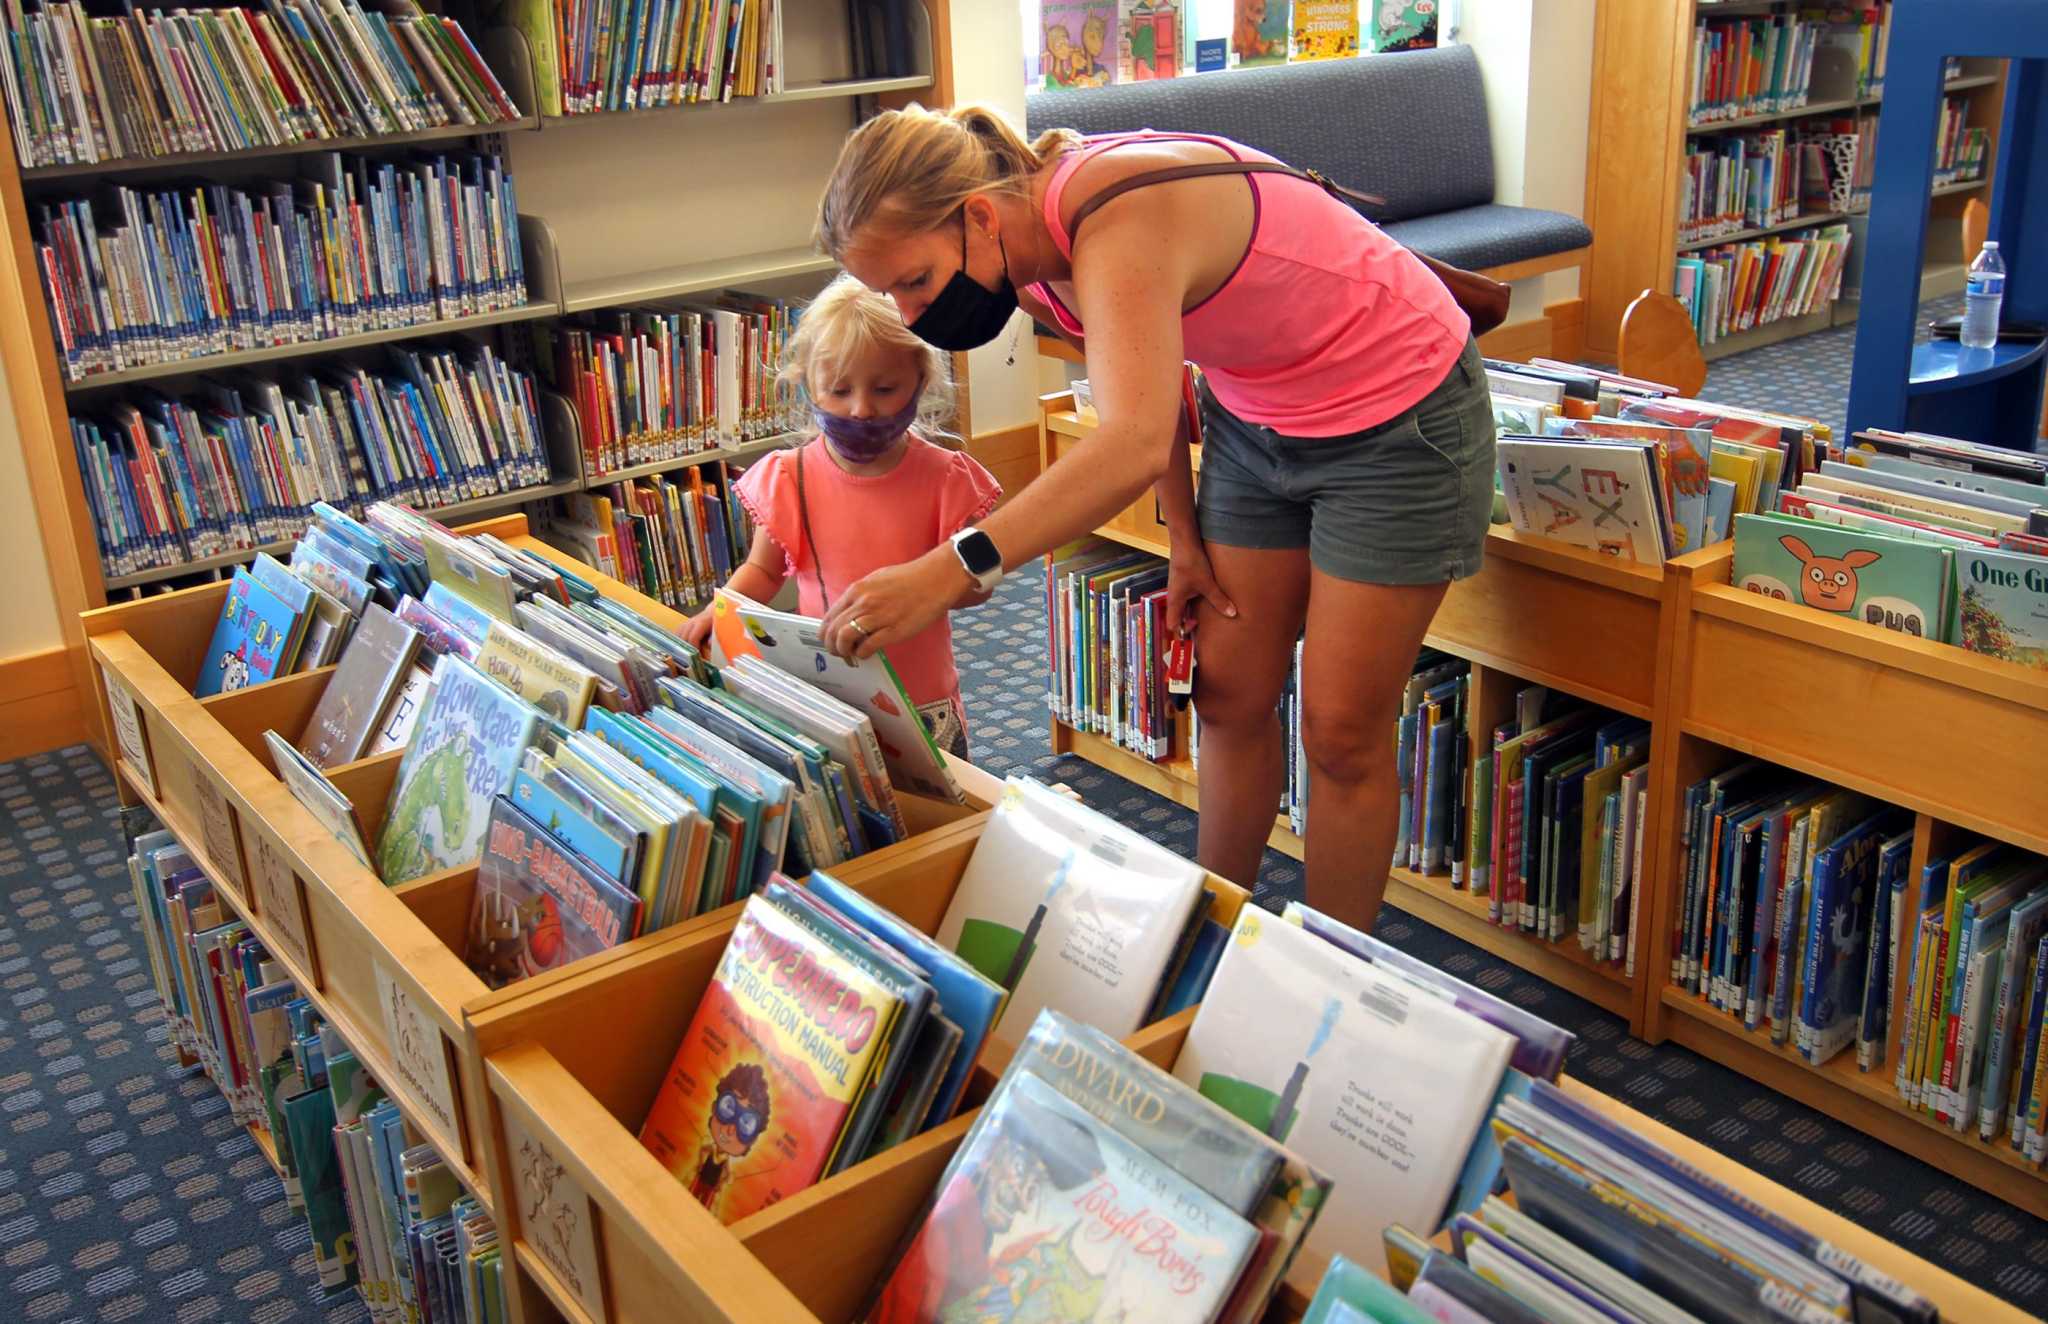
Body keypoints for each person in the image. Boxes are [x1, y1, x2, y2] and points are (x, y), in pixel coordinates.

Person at [811, 106, 1496, 933]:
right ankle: (1208, 934)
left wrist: (948, 569)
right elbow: (1143, 380)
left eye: (913, 281)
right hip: (1257, 414)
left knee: (1341, 730)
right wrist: (1184, 538)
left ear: (978, 217)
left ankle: (1331, 970)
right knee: (1227, 693)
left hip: (1399, 412)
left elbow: (1129, 442)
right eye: (886, 291)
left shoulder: (1111, 217)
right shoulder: (1018, 248)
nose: (911, 314)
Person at [681, 274, 1002, 760]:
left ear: (921, 379)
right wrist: (719, 609)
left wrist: (965, 581)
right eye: (838, 390)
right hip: (831, 696)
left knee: (942, 819)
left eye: (886, 388)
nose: (861, 410)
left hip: (924, 703)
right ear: (806, 383)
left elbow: (975, 588)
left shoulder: (945, 479)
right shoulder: (792, 478)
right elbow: (764, 571)